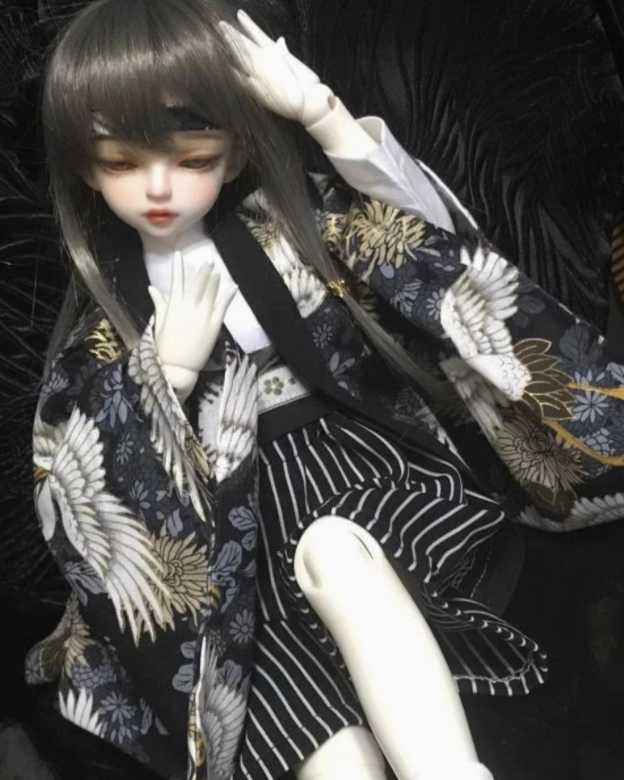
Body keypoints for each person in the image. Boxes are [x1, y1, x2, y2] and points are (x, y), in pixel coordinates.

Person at [25, 0, 624, 778]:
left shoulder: (293, 226)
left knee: (338, 555)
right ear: (84, 166)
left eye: (192, 157)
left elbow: (430, 250)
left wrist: (326, 116)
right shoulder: (103, 329)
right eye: (121, 163)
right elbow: (81, 484)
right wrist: (160, 379)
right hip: (220, 535)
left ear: (235, 152)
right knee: (301, 727)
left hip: (350, 470)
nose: (159, 186)